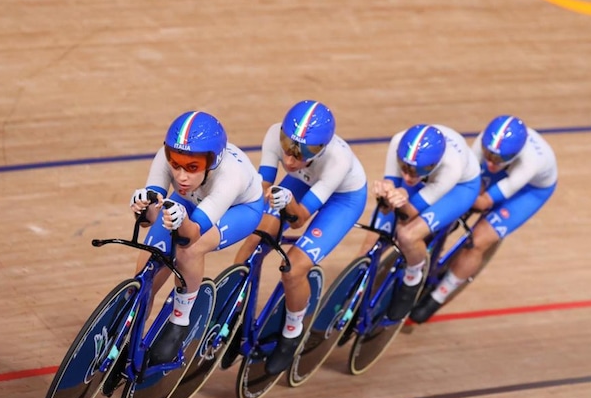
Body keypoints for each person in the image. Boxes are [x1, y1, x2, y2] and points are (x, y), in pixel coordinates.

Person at [232, 100, 368, 375]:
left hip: (343, 200)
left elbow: (299, 220)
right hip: (303, 182)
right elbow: (262, 188)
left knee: (293, 269)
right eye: (287, 152)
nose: (290, 161)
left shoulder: (337, 160)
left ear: (319, 151)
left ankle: (293, 332)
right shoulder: (274, 135)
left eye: (300, 156)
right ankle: (235, 309)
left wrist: (287, 204)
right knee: (255, 238)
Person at [130, 110, 265, 365]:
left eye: (192, 168)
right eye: (176, 164)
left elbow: (190, 236)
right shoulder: (165, 157)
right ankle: (129, 334)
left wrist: (179, 220)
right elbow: (149, 218)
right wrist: (142, 206)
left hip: (239, 209)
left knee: (188, 251)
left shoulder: (229, 178)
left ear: (211, 163)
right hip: (189, 199)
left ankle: (180, 319)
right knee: (145, 276)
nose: (181, 176)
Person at [409, 115, 557, 323]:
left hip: (528, 192)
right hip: (503, 173)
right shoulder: (485, 142)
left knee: (478, 240)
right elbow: (468, 179)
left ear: (515, 154)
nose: (490, 161)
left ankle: (439, 294)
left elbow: (484, 202)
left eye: (497, 158)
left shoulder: (530, 162)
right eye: (488, 154)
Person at [372, 123, 482, 322]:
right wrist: (384, 195)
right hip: (428, 177)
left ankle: (413, 278)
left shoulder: (451, 167)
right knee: (375, 232)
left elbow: (408, 214)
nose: (407, 176)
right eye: (403, 168)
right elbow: (390, 192)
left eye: (415, 171)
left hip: (459, 188)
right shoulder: (398, 141)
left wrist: (400, 199)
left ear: (434, 165)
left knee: (407, 235)